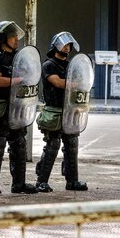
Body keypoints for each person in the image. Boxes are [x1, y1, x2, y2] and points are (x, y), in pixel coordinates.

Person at [0, 21, 38, 196]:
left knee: (20, 144)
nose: (16, 39)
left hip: (18, 106)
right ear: (2, 38)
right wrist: (17, 80)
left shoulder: (18, 56)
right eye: (12, 36)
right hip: (1, 106)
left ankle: (19, 183)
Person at [35, 32, 88, 192]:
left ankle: (72, 181)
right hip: (54, 111)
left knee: (72, 145)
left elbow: (84, 81)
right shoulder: (49, 65)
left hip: (70, 110)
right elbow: (57, 82)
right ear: (56, 46)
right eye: (64, 44)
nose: (67, 48)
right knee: (53, 145)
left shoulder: (71, 65)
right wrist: (75, 83)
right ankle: (41, 181)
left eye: (69, 45)